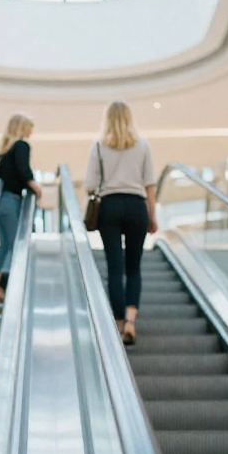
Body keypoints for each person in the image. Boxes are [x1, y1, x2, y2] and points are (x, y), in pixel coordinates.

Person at [85, 101, 157, 345]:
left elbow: (89, 185)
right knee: (134, 267)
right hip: (137, 206)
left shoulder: (98, 146)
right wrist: (153, 215)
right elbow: (150, 184)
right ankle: (130, 322)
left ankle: (116, 323)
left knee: (115, 268)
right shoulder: (142, 144)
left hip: (109, 207)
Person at [0, 114, 42, 303]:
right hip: (12, 201)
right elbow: (23, 170)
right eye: (29, 128)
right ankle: (2, 285)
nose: (31, 132)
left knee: (4, 244)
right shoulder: (21, 145)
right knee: (15, 244)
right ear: (22, 128)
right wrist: (35, 187)